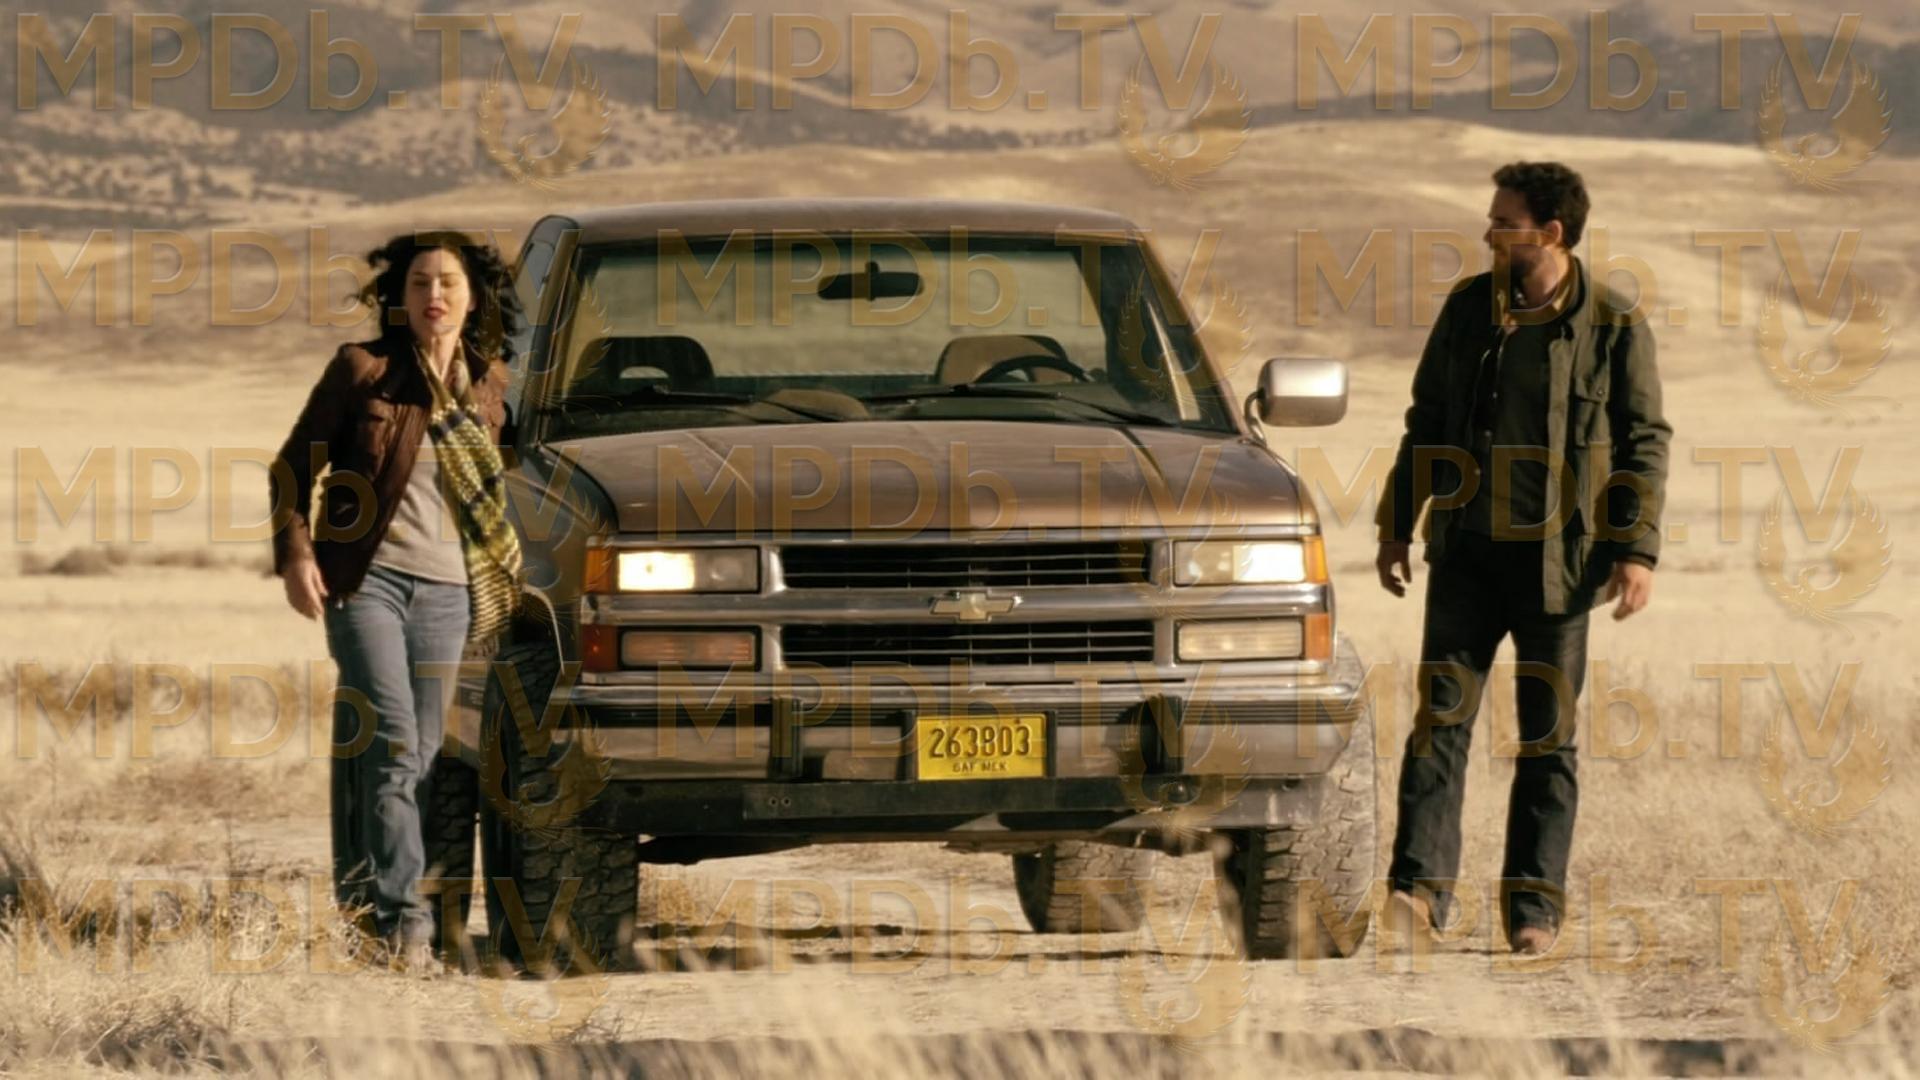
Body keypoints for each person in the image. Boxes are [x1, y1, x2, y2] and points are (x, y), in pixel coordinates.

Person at [1373, 162, 1672, 954]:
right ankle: (1416, 895)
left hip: (1560, 568)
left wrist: (1636, 550)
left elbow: (1644, 443)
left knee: (1548, 743)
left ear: (1551, 233)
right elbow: (1427, 420)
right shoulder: (1471, 309)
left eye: (1503, 223)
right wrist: (1397, 524)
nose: (1488, 233)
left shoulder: (1612, 324)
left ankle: (1534, 916)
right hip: (1467, 555)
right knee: (1440, 724)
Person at [269, 230, 524, 971]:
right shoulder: (365, 370)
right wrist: (296, 555)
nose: (433, 295)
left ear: (473, 297)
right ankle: (405, 928)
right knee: (394, 748)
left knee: (420, 762)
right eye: (419, 283)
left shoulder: (490, 386)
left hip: (449, 592)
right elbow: (290, 471)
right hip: (366, 584)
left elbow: (499, 492)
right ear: (399, 296)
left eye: (447, 282)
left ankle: (370, 909)